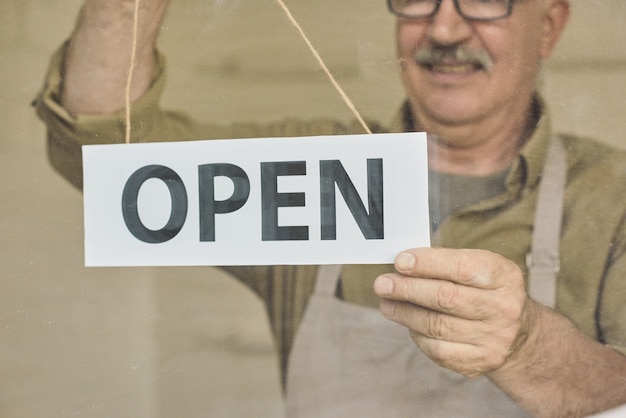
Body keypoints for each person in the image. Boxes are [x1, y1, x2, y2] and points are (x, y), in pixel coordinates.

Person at [34, 0, 626, 416]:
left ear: (549, 26)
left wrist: (526, 344)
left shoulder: (613, 200)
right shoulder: (311, 175)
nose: (444, 29)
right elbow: (100, 152)